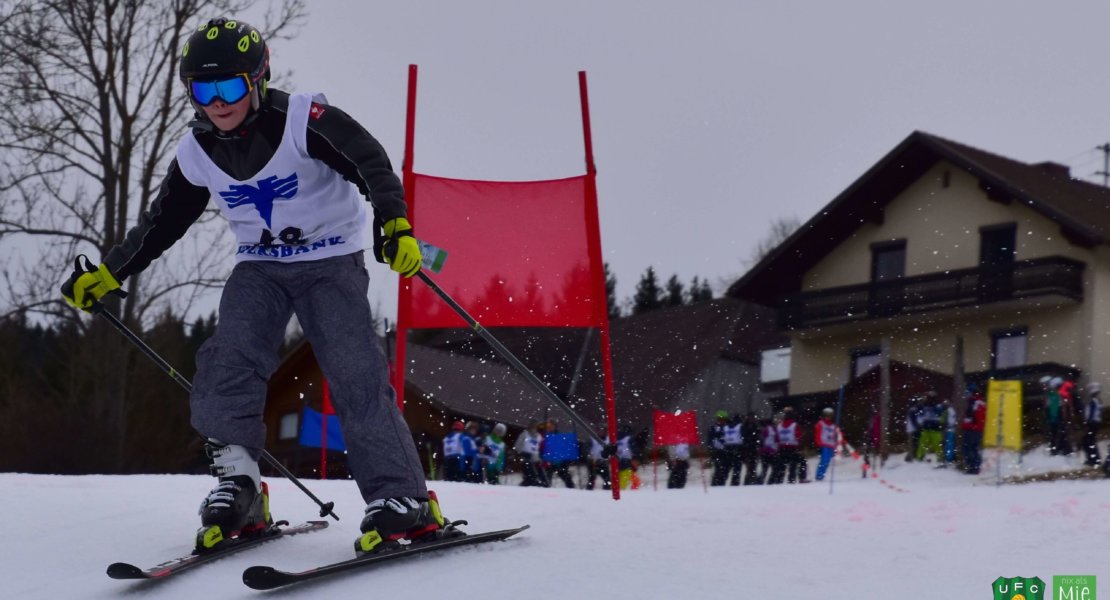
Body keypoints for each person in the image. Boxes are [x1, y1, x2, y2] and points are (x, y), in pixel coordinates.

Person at [59, 18, 441, 556]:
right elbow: (162, 222)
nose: (219, 102)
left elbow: (369, 161)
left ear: (258, 80)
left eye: (231, 87)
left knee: (355, 373)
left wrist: (393, 223)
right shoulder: (198, 150)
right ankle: (239, 487)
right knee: (226, 364)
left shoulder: (301, 120)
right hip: (260, 265)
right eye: (203, 90)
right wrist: (112, 270)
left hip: (329, 260)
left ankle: (404, 499)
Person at [777, 407, 807, 483]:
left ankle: (779, 480)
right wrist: (800, 444)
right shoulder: (794, 425)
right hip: (792, 447)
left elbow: (776, 437)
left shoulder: (779, 425)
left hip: (781, 448)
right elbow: (798, 436)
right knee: (798, 463)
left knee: (782, 466)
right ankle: (797, 478)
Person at [961, 385, 986, 474]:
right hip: (972, 429)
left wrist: (972, 423)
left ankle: (974, 467)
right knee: (971, 449)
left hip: (973, 430)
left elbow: (978, 418)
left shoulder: (977, 403)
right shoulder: (973, 403)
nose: (966, 395)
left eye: (968, 393)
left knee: (970, 449)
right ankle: (973, 467)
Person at [514, 422, 547, 487]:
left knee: (541, 474)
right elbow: (517, 445)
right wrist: (521, 454)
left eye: (535, 427)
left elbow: (541, 447)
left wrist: (541, 457)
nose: (533, 429)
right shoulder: (524, 434)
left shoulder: (539, 436)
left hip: (536, 458)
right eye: (532, 427)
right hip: (526, 456)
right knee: (530, 474)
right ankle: (531, 483)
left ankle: (543, 484)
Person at [915, 392, 943, 463]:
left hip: (933, 428)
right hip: (929, 428)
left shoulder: (936, 406)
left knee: (935, 445)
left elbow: (940, 415)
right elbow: (920, 415)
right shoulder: (924, 406)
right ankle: (920, 458)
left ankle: (940, 458)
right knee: (926, 444)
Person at [813, 407, 839, 481]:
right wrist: (818, 443)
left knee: (827, 462)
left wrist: (836, 445)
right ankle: (819, 476)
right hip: (824, 445)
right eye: (826, 415)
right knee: (823, 461)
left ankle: (822, 475)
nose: (828, 417)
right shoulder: (820, 424)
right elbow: (817, 434)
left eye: (830, 415)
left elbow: (836, 436)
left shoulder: (833, 426)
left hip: (831, 445)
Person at [1081, 382, 1102, 468]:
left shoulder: (1094, 402)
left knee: (1088, 441)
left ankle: (1093, 459)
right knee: (1089, 440)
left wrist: (1087, 423)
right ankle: (1094, 459)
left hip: (1092, 423)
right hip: (1095, 423)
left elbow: (1091, 414)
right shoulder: (1097, 401)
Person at [708, 411, 730, 486]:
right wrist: (711, 448)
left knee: (726, 469)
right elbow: (710, 439)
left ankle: (721, 482)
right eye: (720, 419)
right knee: (718, 469)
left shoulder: (727, 428)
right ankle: (716, 483)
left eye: (723, 419)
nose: (721, 421)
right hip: (717, 451)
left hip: (726, 452)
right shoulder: (714, 428)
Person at [740, 412, 762, 485]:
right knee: (749, 465)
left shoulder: (755, 426)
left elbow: (758, 436)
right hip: (747, 448)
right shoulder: (745, 426)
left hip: (754, 448)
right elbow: (744, 436)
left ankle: (752, 479)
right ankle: (749, 479)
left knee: (753, 465)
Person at [759, 415, 782, 484]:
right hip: (771, 451)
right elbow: (777, 439)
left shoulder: (764, 429)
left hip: (765, 451)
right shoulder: (773, 429)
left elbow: (761, 440)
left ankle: (760, 482)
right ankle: (771, 482)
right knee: (775, 468)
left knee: (764, 469)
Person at [904, 398, 922, 462]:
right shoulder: (913, 410)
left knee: (913, 443)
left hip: (911, 429)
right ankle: (911, 457)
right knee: (913, 444)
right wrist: (918, 427)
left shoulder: (912, 410)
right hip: (913, 429)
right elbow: (913, 420)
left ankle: (912, 456)